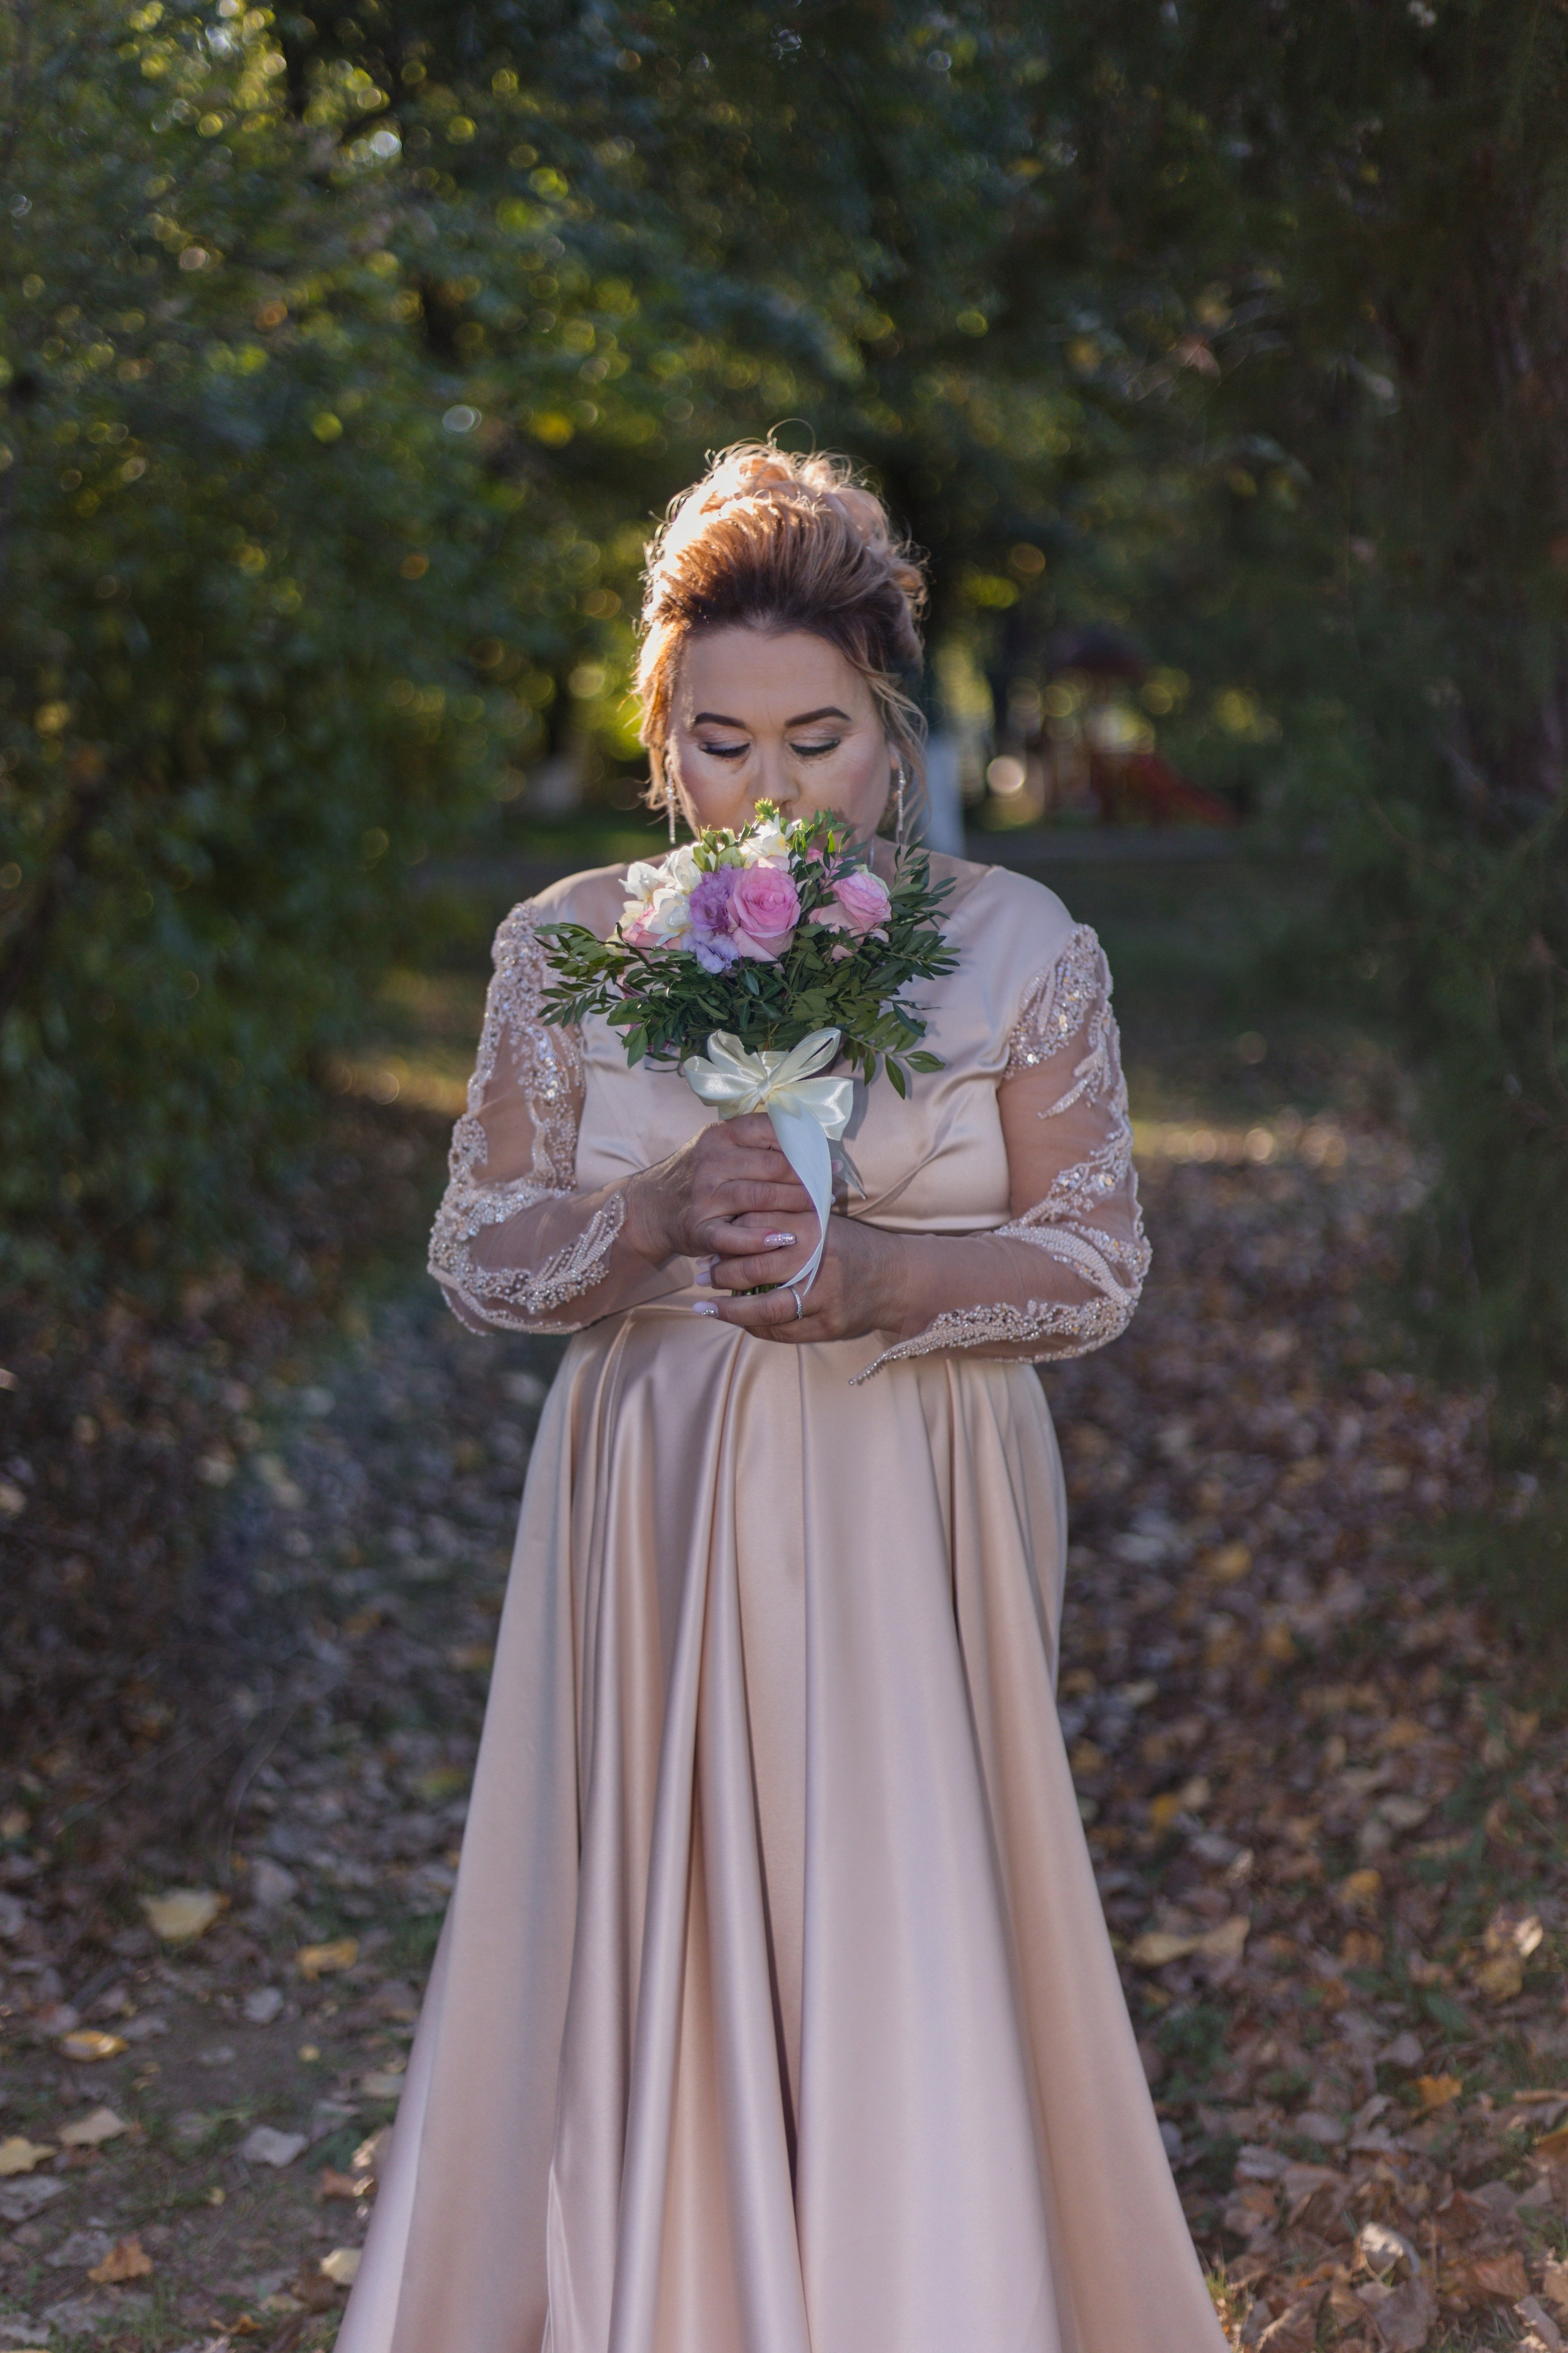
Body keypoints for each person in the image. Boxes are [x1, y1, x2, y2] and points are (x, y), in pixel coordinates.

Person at [337, 445, 1227, 2353]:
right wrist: (651, 1219)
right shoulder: (566, 949)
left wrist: (892, 1276)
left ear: (889, 726)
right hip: (651, 1510)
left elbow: (1096, 1258)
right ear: (665, 738)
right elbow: (484, 1253)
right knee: (666, 1939)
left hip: (924, 1495)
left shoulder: (1018, 946)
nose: (773, 788)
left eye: (816, 737)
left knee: (913, 1914)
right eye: (723, 742)